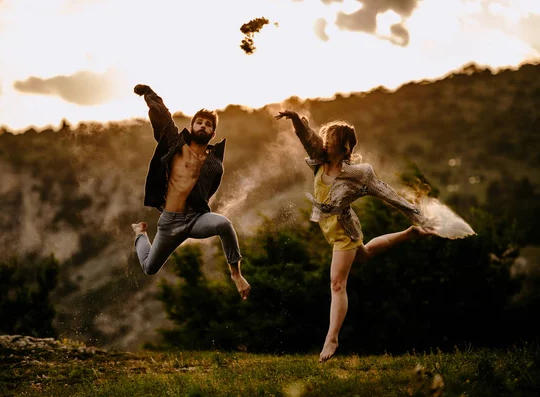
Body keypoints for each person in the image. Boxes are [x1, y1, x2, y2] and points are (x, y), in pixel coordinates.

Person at [275, 110, 436, 362]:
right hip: (329, 228)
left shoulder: (360, 174)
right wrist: (295, 117)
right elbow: (306, 136)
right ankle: (410, 234)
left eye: (331, 140)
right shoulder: (318, 157)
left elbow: (389, 194)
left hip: (343, 232)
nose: (325, 143)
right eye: (325, 139)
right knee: (366, 254)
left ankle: (332, 338)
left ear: (344, 147)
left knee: (337, 284)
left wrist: (417, 214)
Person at [131, 84, 250, 300]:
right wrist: (148, 93)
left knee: (224, 224)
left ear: (213, 133)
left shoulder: (214, 165)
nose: (203, 126)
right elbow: (164, 118)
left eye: (208, 125)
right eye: (199, 122)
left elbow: (207, 191)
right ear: (192, 126)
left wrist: (201, 211)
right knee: (149, 267)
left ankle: (236, 275)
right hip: (169, 222)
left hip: (195, 219)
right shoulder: (176, 145)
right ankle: (140, 234)